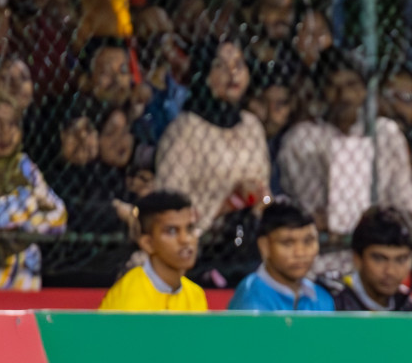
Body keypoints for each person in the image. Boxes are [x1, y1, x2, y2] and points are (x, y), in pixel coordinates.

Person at [278, 48, 412, 276]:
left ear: (365, 91)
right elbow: (309, 211)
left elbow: (407, 207)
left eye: (352, 85)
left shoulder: (386, 134)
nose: (343, 95)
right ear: (321, 92)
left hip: (379, 255)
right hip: (321, 258)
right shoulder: (302, 139)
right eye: (333, 86)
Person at [153, 36, 270, 237]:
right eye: (220, 66)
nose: (232, 73)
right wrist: (228, 203)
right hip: (199, 241)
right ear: (205, 75)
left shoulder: (251, 125)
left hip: (250, 236)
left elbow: (263, 190)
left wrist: (259, 199)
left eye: (239, 65)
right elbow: (170, 203)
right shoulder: (185, 129)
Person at [0, 89, 66, 289]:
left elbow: (59, 218)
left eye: (13, 124)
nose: (5, 132)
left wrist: (7, 227)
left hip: (24, 281)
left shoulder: (24, 166)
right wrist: (30, 206)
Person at [98, 189, 206, 311]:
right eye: (171, 231)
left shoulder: (196, 295)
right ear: (148, 244)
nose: (185, 240)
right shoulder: (129, 300)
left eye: (190, 228)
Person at [228, 199, 335, 311]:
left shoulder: (323, 299)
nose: (300, 253)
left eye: (308, 241)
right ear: (264, 246)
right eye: (287, 243)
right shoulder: (250, 300)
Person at [325, 206, 412, 312]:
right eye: (379, 259)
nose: (390, 271)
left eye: (400, 260)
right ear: (357, 258)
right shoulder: (332, 304)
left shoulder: (410, 311)